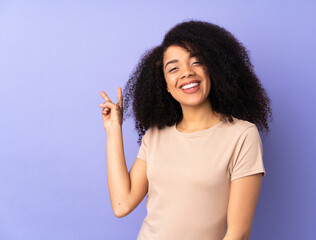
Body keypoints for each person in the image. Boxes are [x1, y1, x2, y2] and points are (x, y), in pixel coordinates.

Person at [99, 20, 272, 240]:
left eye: (196, 62)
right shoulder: (155, 135)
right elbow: (122, 204)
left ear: (212, 70)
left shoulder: (242, 135)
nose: (186, 73)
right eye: (173, 68)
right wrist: (114, 129)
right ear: (165, 86)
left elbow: (239, 232)